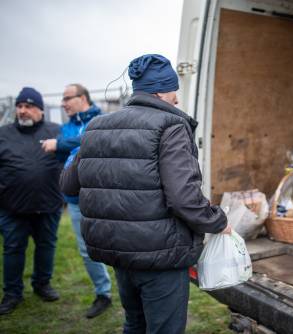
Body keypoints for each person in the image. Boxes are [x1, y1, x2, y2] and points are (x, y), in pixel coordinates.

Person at [60, 54, 231, 333]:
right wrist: (218, 221)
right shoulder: (171, 126)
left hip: (119, 253)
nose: (177, 98)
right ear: (162, 90)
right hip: (160, 255)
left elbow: (68, 184)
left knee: (135, 323)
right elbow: (183, 197)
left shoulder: (95, 127)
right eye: (174, 92)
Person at [41, 83, 112, 319]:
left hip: (103, 195)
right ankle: (104, 293)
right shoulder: (67, 128)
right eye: (62, 99)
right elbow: (69, 151)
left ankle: (134, 290)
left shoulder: (101, 120)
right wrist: (66, 146)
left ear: (83, 98)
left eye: (67, 98)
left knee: (118, 243)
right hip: (74, 200)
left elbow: (91, 140)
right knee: (86, 250)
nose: (63, 103)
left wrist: (60, 145)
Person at [0, 87, 63, 315]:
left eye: (28, 106)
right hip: (12, 207)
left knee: (46, 247)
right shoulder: (3, 133)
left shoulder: (56, 131)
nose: (23, 111)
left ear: (40, 110)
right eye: (19, 106)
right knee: (13, 249)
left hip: (48, 205)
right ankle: (12, 293)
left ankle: (42, 284)